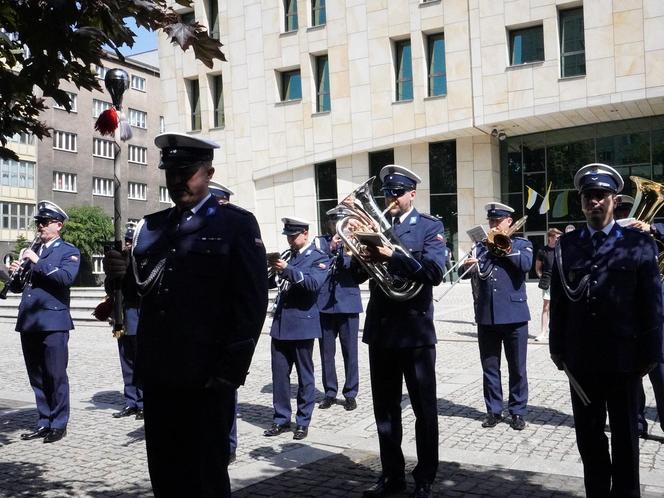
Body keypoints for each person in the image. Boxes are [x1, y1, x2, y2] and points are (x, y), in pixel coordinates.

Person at [105, 132, 268, 498]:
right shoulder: (153, 227)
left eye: (188, 171)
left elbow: (251, 304)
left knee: (206, 477)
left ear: (208, 172)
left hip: (206, 377)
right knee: (165, 473)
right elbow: (143, 290)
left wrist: (229, 373)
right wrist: (120, 276)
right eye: (172, 172)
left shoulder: (236, 226)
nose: (178, 180)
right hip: (160, 375)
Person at [549, 163, 663, 497]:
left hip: (625, 361)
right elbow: (559, 301)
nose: (594, 202)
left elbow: (652, 305)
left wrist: (651, 355)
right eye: (588, 197)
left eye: (600, 196)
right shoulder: (567, 246)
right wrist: (558, 350)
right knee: (589, 436)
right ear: (581, 201)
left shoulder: (639, 244)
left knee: (626, 438)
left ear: (613, 200)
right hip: (581, 362)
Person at [353, 165, 446, 498]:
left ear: (412, 194)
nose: (391, 199)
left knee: (424, 410)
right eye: (387, 193)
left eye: (397, 193)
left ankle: (425, 478)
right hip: (381, 332)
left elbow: (435, 272)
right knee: (385, 412)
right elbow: (354, 277)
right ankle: (392, 476)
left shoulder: (429, 227)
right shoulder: (376, 226)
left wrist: (393, 255)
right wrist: (355, 252)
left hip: (416, 331)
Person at [14, 201, 80, 444]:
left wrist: (37, 262)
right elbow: (21, 287)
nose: (39, 226)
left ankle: (59, 423)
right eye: (38, 222)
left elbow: (65, 278)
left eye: (44, 222)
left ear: (58, 226)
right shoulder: (33, 251)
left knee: (55, 374)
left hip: (54, 321)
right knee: (37, 376)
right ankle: (43, 421)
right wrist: (15, 272)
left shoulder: (68, 250)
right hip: (30, 320)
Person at [462, 202, 532, 431]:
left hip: (514, 316)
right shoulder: (480, 247)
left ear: (509, 221)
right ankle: (493, 410)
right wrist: (470, 265)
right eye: (491, 221)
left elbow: (526, 264)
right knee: (490, 367)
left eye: (497, 221)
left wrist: (506, 248)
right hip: (487, 315)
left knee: (517, 368)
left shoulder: (522, 243)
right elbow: (468, 275)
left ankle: (517, 411)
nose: (493, 224)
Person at [264, 217, 329, 441]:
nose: (290, 240)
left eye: (293, 236)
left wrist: (287, 270)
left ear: (305, 234)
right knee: (280, 376)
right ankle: (281, 419)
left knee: (305, 376)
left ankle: (303, 421)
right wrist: (271, 270)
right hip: (281, 325)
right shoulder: (286, 256)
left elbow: (313, 284)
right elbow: (272, 284)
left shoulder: (319, 257)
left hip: (302, 324)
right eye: (288, 236)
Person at [619, 198, 664, 441]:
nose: (628, 217)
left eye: (629, 212)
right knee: (631, 376)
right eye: (623, 213)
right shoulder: (617, 239)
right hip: (627, 314)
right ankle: (636, 423)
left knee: (661, 373)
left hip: (657, 315)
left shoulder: (655, 232)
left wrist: (653, 230)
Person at [316, 211, 362, 412]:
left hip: (348, 304)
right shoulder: (320, 243)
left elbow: (360, 275)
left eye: (340, 221)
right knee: (326, 353)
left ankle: (350, 393)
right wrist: (331, 248)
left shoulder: (356, 243)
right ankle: (330, 392)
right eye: (334, 221)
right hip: (324, 304)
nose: (337, 225)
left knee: (350, 352)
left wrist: (352, 252)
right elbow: (316, 265)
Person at [107, 223, 144, 420]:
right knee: (125, 360)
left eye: (131, 241)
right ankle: (132, 401)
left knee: (140, 360)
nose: (128, 245)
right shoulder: (119, 259)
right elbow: (110, 288)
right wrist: (112, 271)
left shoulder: (141, 261)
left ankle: (145, 402)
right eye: (127, 241)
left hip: (137, 316)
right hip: (120, 319)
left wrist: (127, 266)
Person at [534, 228, 562, 342]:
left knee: (560, 307)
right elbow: (537, 268)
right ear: (550, 237)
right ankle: (543, 332)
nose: (558, 239)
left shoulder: (561, 250)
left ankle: (558, 331)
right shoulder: (542, 251)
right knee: (546, 307)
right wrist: (542, 278)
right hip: (548, 282)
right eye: (557, 237)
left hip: (560, 283)